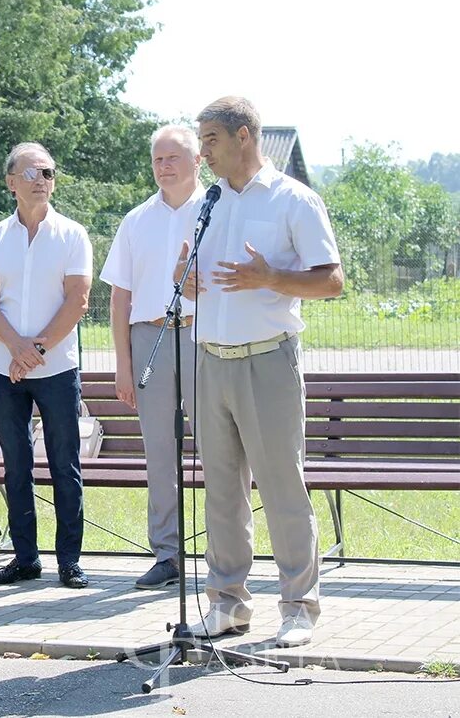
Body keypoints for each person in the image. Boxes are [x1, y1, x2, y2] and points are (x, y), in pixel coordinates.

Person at [178, 96, 343, 647]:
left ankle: (299, 607)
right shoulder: (209, 202)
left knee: (280, 486)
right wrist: (187, 274)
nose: (202, 153)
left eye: (211, 141)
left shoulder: (295, 200)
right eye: (200, 141)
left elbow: (331, 282)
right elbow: (197, 275)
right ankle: (227, 605)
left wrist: (270, 277)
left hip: (268, 360)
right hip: (210, 360)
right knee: (221, 490)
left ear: (244, 136)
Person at [0, 142, 93, 589]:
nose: (42, 180)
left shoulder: (72, 234)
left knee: (65, 464)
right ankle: (25, 559)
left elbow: (77, 300)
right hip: (4, 368)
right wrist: (15, 348)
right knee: (16, 464)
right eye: (32, 173)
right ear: (11, 184)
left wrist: (35, 351)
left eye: (48, 172)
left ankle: (70, 561)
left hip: (57, 367)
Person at [100, 125, 204, 590]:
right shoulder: (135, 220)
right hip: (150, 339)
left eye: (173, 157)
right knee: (160, 453)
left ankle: (222, 555)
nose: (163, 167)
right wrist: (122, 364)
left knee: (219, 449)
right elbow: (119, 297)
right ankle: (167, 553)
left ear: (198, 160)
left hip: (205, 339)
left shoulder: (217, 209)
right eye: (157, 159)